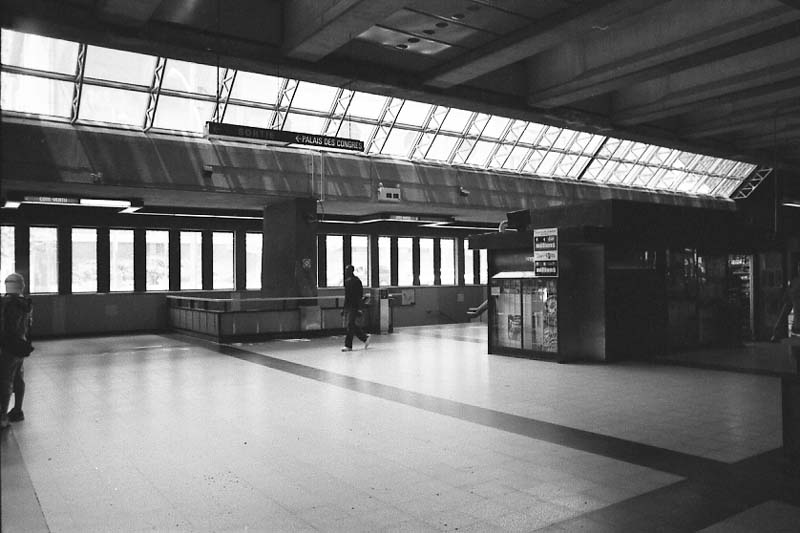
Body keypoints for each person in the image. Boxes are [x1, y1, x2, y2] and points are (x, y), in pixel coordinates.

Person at [1, 272, 33, 429]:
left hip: (9, 345)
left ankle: (2, 416)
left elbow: (7, 327)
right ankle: (17, 410)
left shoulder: (9, 304)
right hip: (21, 344)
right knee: (18, 378)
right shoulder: (25, 303)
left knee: (5, 380)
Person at [342, 265, 370, 352]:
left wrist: (359, 308)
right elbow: (347, 297)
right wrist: (344, 308)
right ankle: (365, 338)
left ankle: (348, 345)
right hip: (349, 306)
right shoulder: (347, 282)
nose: (346, 272)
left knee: (350, 324)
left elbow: (359, 296)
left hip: (355, 306)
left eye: (347, 270)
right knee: (352, 325)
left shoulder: (357, 281)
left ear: (351, 271)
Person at [771, 262, 800, 341]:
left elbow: (786, 307)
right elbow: (786, 307)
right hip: (797, 328)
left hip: (797, 328)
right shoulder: (794, 283)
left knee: (795, 350)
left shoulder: (794, 283)